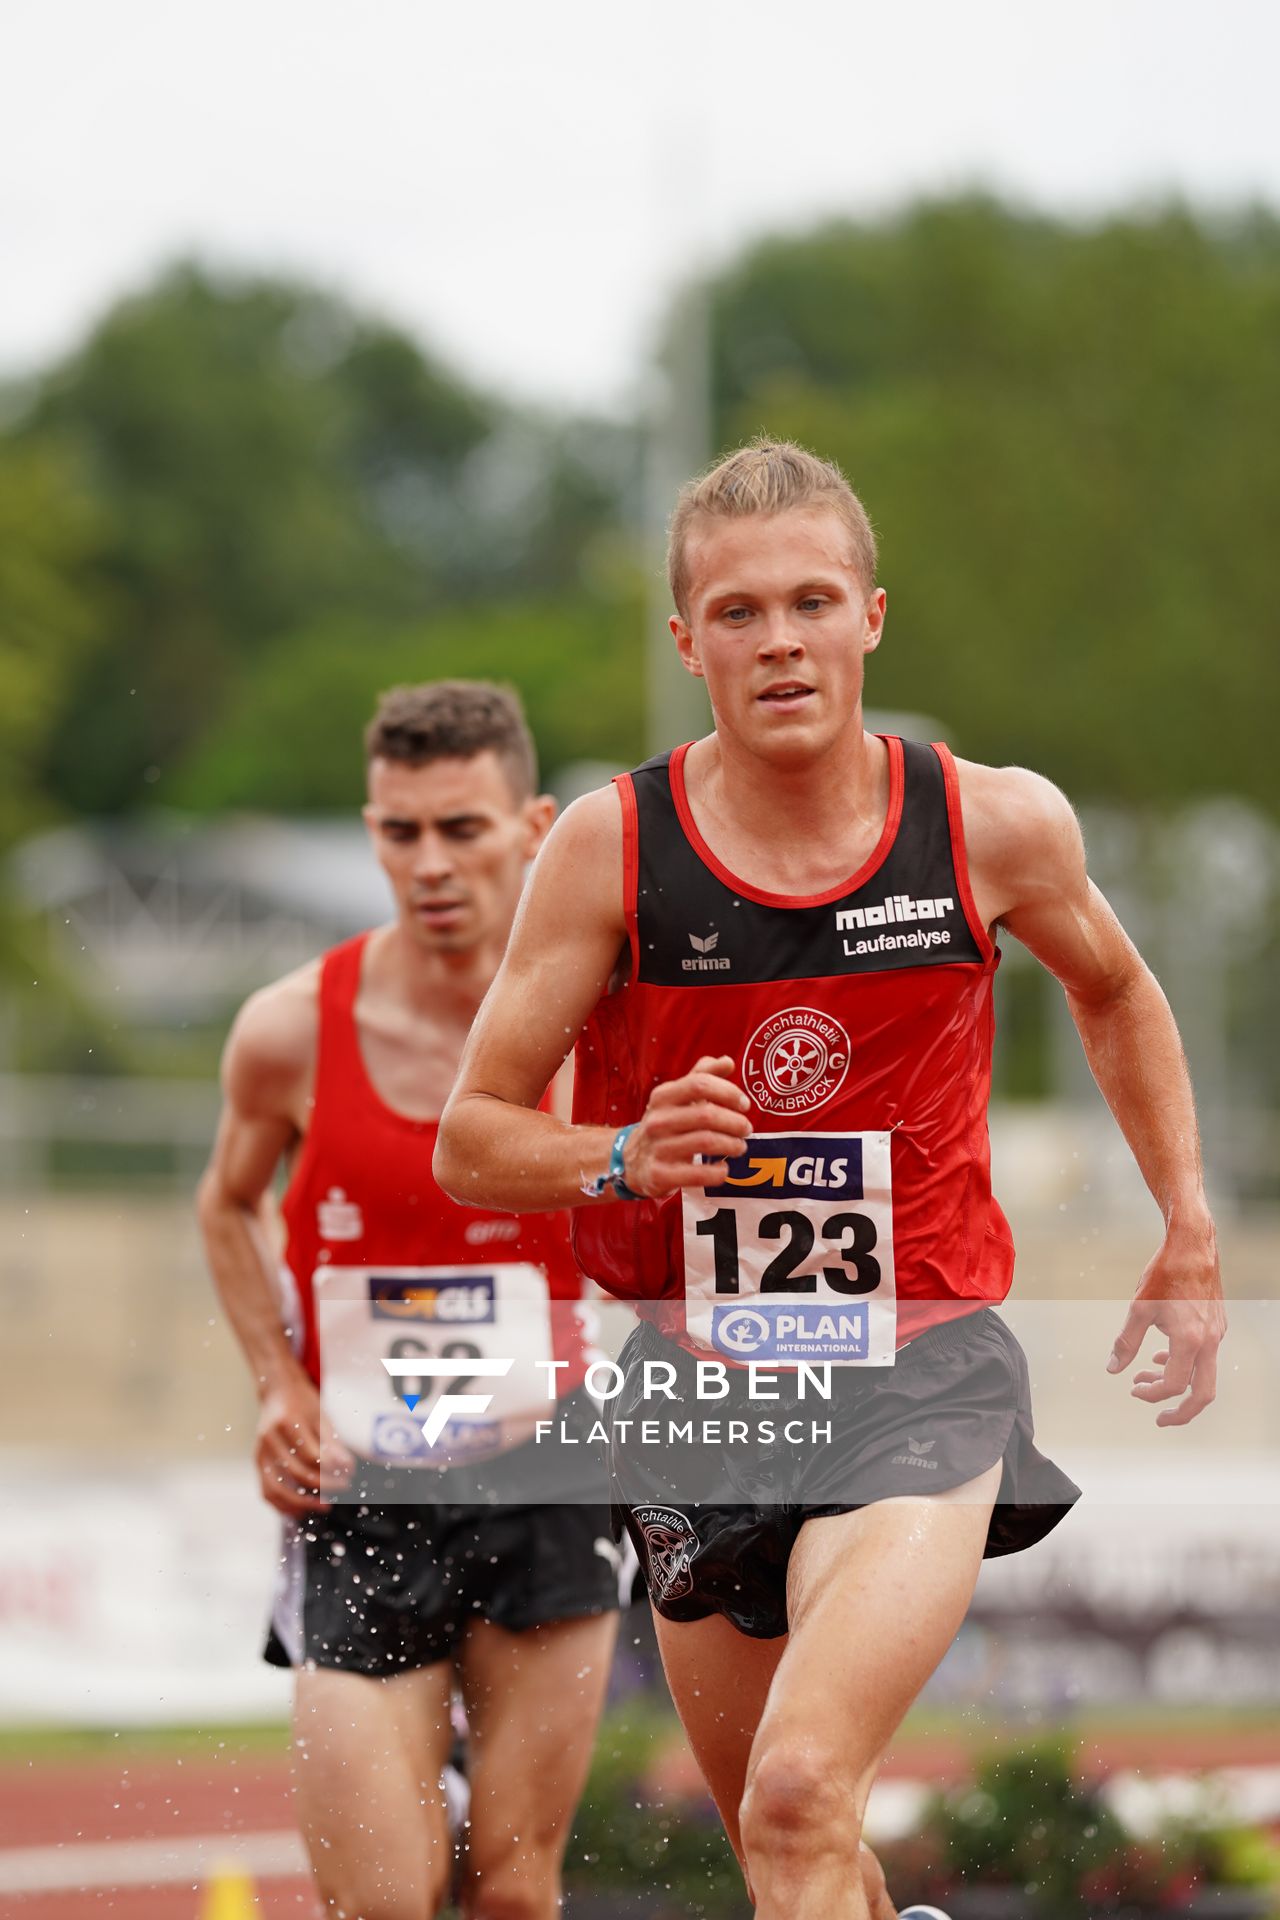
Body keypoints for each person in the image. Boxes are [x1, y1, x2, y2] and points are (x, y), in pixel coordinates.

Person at [434, 441, 1227, 1920]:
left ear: (872, 616)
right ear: (688, 643)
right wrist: (621, 1152)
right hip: (697, 1393)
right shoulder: (615, 849)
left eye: (811, 602)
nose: (779, 640)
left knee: (803, 1790)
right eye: (738, 613)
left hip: (918, 1373)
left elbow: (1117, 995)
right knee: (789, 1851)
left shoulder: (993, 824)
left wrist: (1186, 1222)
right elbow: (470, 1134)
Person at [198, 681, 623, 1920]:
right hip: (361, 1492)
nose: (428, 865)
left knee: (509, 1891)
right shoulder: (289, 1030)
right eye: (399, 833)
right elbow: (225, 1205)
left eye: (462, 829)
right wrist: (277, 1383)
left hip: (549, 1480)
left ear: (535, 828)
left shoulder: (606, 1027)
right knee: (381, 1902)